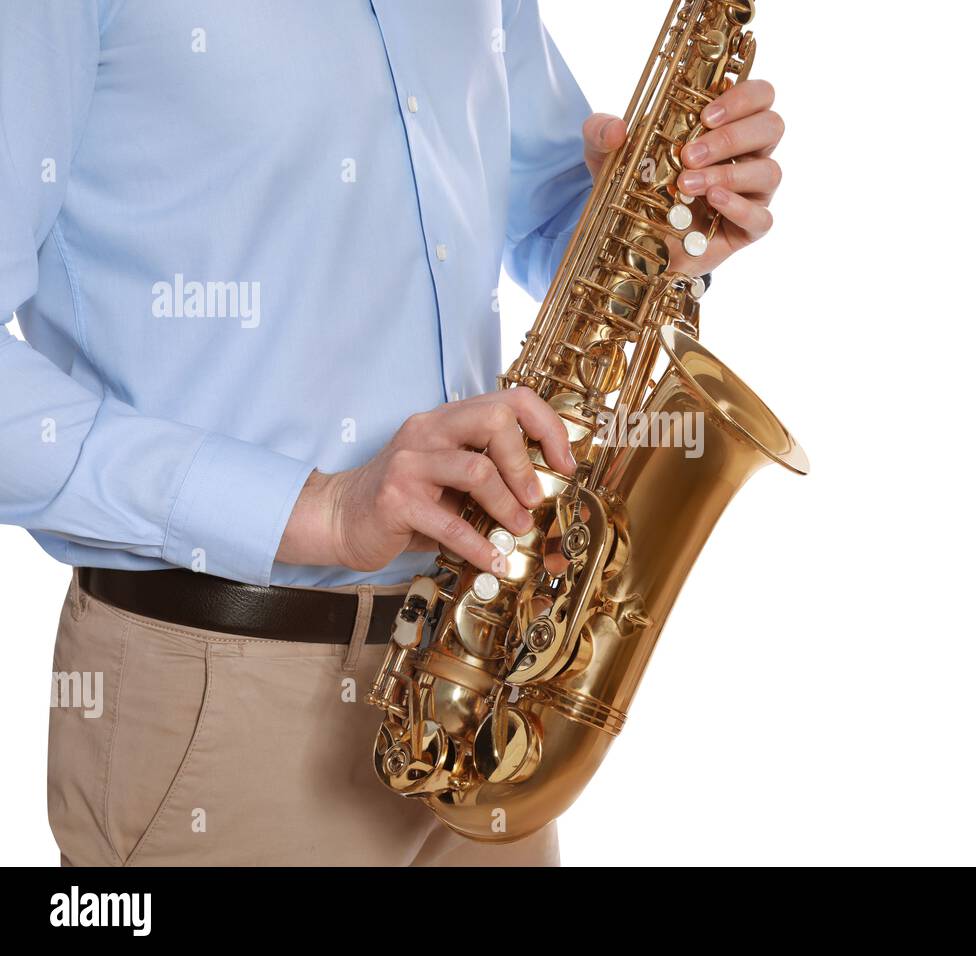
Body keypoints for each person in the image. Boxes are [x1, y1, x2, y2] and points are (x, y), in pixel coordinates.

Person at [0, 1, 786, 866]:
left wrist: (658, 219)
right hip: (222, 697)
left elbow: (545, 207)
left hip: (479, 675)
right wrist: (322, 511)